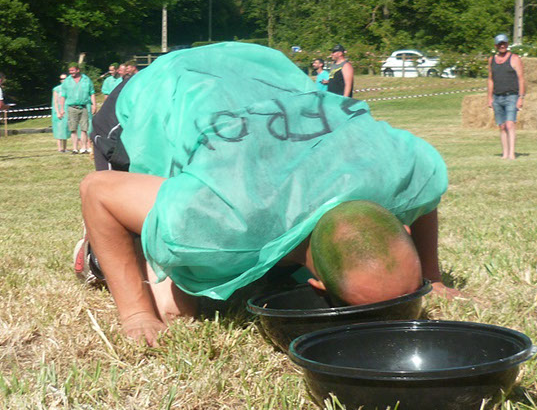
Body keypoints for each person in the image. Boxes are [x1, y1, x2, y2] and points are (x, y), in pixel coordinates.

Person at [78, 42, 458, 346]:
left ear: (401, 226)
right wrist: (137, 314)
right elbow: (97, 191)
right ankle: (91, 253)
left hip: (254, 71)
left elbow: (424, 194)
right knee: (176, 310)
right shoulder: (223, 216)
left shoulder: (397, 173)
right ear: (317, 288)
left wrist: (432, 276)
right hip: (164, 88)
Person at [487, 34, 525, 160]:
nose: (502, 46)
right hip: (497, 97)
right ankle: (505, 153)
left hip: (511, 96)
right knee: (502, 126)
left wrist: (521, 97)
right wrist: (489, 98)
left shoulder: (515, 59)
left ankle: (512, 153)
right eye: (499, 44)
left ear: (507, 44)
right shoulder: (491, 60)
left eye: (504, 43)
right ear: (496, 46)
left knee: (510, 124)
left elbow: (521, 79)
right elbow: (490, 79)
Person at [59, 62, 96, 154]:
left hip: (84, 107)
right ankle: (75, 148)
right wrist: (61, 109)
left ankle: (84, 148)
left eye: (73, 70)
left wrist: (94, 105)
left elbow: (92, 93)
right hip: (72, 107)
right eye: (70, 71)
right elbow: (63, 96)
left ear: (78, 70)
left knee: (84, 129)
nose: (71, 72)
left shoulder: (86, 80)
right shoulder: (67, 81)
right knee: (73, 129)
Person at [52, 74, 69, 152]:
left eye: (65, 78)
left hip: (66, 111)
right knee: (59, 129)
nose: (63, 80)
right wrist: (57, 112)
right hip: (58, 111)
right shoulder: (56, 89)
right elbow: (55, 101)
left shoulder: (69, 89)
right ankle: (59, 148)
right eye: (62, 79)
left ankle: (65, 148)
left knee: (65, 129)